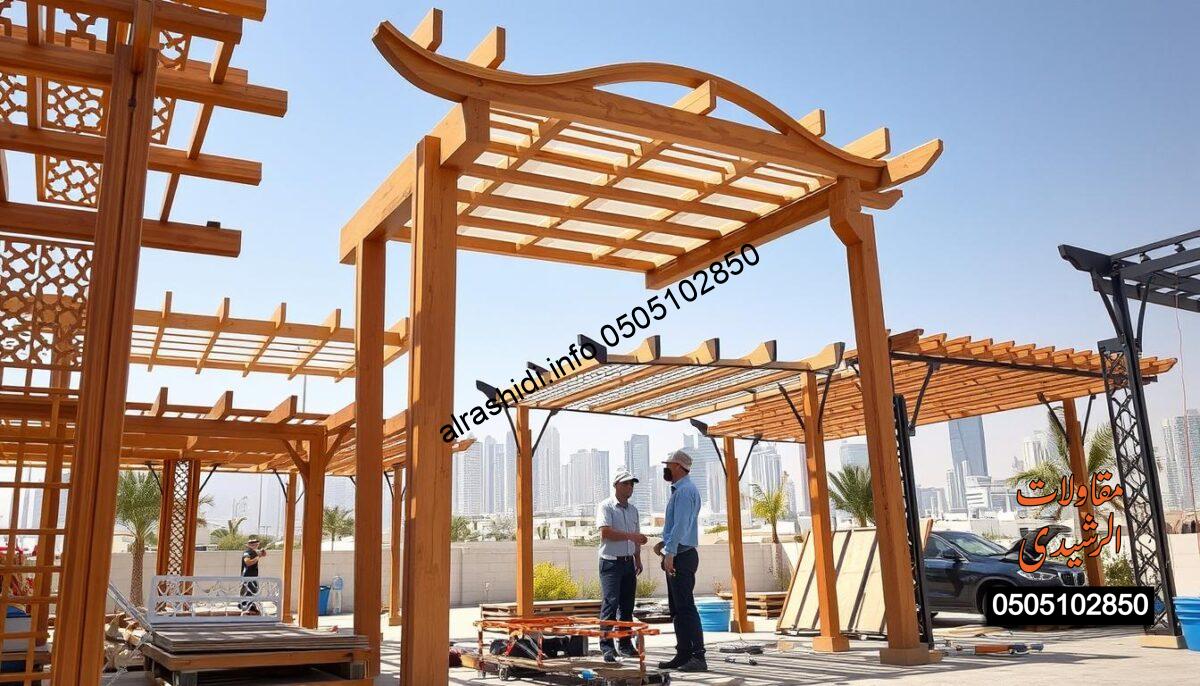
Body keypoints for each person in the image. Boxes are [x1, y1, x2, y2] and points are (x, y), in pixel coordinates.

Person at [658, 450, 706, 672]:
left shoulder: (685, 491)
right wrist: (664, 545)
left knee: (685, 607)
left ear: (677, 466)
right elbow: (677, 526)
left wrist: (670, 552)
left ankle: (698, 656)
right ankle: (684, 653)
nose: (665, 469)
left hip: (681, 556)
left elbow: (681, 526)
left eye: (668, 465)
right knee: (677, 608)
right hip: (679, 553)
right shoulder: (681, 490)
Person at [595, 467, 648, 662]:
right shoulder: (606, 507)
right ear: (616, 485)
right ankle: (607, 647)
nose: (630, 487)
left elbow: (636, 538)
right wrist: (631, 536)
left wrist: (638, 558)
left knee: (627, 606)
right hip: (610, 563)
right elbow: (605, 533)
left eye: (631, 484)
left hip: (628, 564)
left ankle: (625, 644)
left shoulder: (633, 510)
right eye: (626, 483)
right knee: (610, 604)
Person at [240, 536, 266, 615]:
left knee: (252, 591)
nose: (255, 545)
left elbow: (264, 554)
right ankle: (247, 607)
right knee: (250, 591)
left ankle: (249, 607)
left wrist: (262, 553)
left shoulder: (254, 552)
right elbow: (248, 562)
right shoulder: (247, 552)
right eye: (253, 543)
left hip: (252, 576)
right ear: (248, 545)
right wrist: (258, 557)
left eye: (256, 543)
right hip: (248, 576)